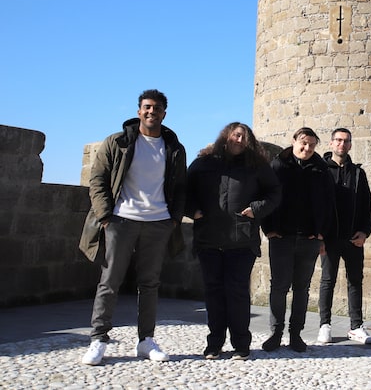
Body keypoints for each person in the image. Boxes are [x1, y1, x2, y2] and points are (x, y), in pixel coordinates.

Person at [78, 89, 186, 366]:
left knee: (150, 284)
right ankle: (98, 339)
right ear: (139, 111)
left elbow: (181, 187)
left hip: (158, 222)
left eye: (157, 108)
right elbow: (98, 179)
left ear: (164, 113)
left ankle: (146, 340)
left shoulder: (174, 148)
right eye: (147, 107)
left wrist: (174, 219)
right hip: (120, 220)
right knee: (110, 281)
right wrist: (105, 216)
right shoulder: (118, 142)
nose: (152, 112)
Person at [186, 123, 282, 361]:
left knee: (237, 292)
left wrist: (256, 209)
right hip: (209, 238)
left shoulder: (257, 166)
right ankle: (214, 343)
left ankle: (241, 345)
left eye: (244, 137)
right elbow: (184, 190)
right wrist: (192, 210)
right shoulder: (203, 163)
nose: (239, 140)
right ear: (226, 136)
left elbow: (274, 193)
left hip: (242, 240)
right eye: (236, 135)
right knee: (213, 292)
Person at [261, 127, 335, 353]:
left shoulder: (321, 170)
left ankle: (296, 334)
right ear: (294, 141)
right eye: (303, 143)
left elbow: (329, 203)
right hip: (281, 237)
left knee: (302, 288)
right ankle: (276, 333)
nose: (307, 148)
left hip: (308, 238)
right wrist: (269, 229)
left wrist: (321, 232)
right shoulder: (277, 166)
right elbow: (265, 197)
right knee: (279, 287)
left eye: (312, 145)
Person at [317, 128, 371, 345]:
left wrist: (365, 232)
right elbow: (315, 204)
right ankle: (324, 325)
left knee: (355, 281)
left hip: (353, 238)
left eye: (346, 141)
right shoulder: (321, 171)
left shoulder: (358, 173)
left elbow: (366, 205)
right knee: (327, 281)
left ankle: (356, 326)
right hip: (329, 238)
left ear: (350, 145)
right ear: (331, 143)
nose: (342, 144)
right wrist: (319, 235)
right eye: (338, 140)